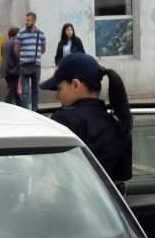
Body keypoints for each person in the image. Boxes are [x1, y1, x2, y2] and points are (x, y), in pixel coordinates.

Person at [39, 52, 132, 183]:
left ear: (76, 85)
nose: (57, 96)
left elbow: (51, 179)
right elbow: (122, 178)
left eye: (59, 88)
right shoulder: (119, 124)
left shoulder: (64, 120)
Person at [16, 12, 47, 111]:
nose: (26, 22)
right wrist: (24, 57)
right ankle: (26, 111)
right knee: (25, 90)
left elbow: (43, 49)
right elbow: (16, 49)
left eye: (28, 20)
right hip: (24, 65)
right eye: (26, 20)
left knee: (35, 90)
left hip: (36, 65)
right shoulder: (21, 33)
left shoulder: (40, 33)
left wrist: (35, 55)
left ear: (34, 21)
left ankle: (35, 111)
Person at [2, 27, 22, 106]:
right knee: (12, 90)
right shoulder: (15, 43)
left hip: (6, 70)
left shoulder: (5, 43)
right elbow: (17, 56)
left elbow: (3, 55)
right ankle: (5, 106)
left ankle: (21, 106)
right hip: (13, 69)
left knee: (14, 90)